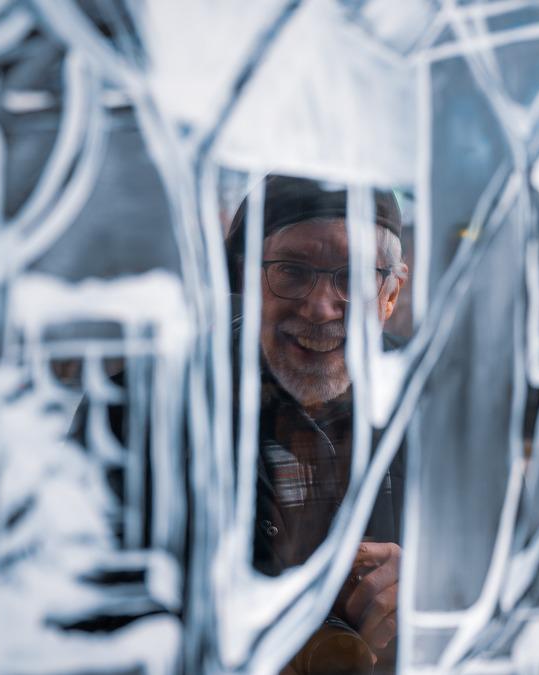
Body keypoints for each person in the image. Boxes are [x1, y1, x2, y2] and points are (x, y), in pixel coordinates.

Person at [223, 174, 409, 673]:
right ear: (244, 278)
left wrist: (432, 588)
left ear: (390, 294)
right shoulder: (138, 411)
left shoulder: (436, 412)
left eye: (352, 276)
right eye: (291, 271)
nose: (320, 307)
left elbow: (520, 579)